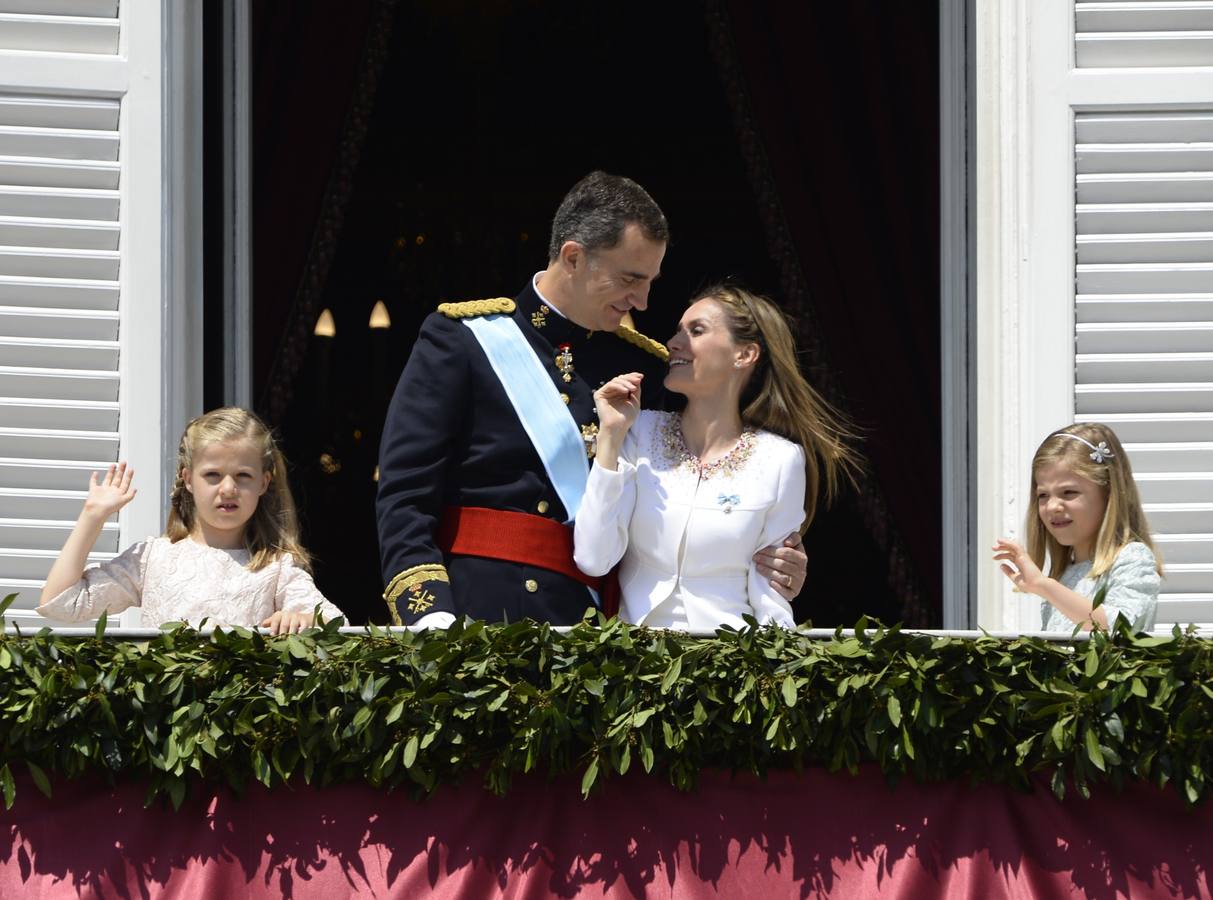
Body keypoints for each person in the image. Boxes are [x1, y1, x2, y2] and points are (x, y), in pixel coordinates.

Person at [376, 171, 809, 627]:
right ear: (573, 257)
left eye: (650, 282)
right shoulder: (463, 342)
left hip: (600, 631)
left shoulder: (650, 368)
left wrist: (773, 562)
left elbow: (695, 484)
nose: (642, 301)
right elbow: (405, 496)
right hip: (479, 616)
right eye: (629, 278)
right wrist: (430, 619)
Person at [573, 284, 860, 630]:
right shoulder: (639, 430)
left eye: (696, 331)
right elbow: (593, 559)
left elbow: (771, 595)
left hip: (730, 663)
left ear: (744, 355)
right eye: (678, 331)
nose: (674, 343)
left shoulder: (781, 460)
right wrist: (609, 438)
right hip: (633, 661)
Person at [37, 407, 342, 633]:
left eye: (243, 476)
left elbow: (334, 625)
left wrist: (303, 619)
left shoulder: (277, 567)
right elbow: (62, 604)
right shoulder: (152, 559)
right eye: (212, 475)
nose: (228, 489)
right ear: (189, 479)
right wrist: (92, 517)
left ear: (264, 483)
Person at [992, 423, 1162, 632]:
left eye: (1069, 492)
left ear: (1109, 494)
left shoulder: (1132, 558)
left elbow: (1121, 629)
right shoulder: (1065, 574)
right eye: (1043, 495)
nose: (1053, 506)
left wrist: (1044, 586)